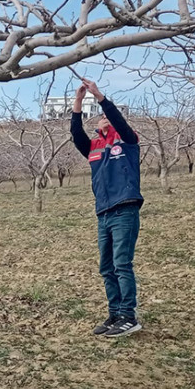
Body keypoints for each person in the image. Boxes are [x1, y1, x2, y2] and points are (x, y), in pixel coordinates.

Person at [71, 79, 143, 338]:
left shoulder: (127, 142)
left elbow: (118, 121)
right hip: (103, 212)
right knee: (107, 267)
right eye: (100, 118)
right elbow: (76, 134)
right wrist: (78, 102)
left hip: (125, 208)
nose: (104, 119)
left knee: (122, 263)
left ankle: (128, 315)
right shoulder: (93, 148)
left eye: (107, 117)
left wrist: (100, 96)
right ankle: (114, 313)